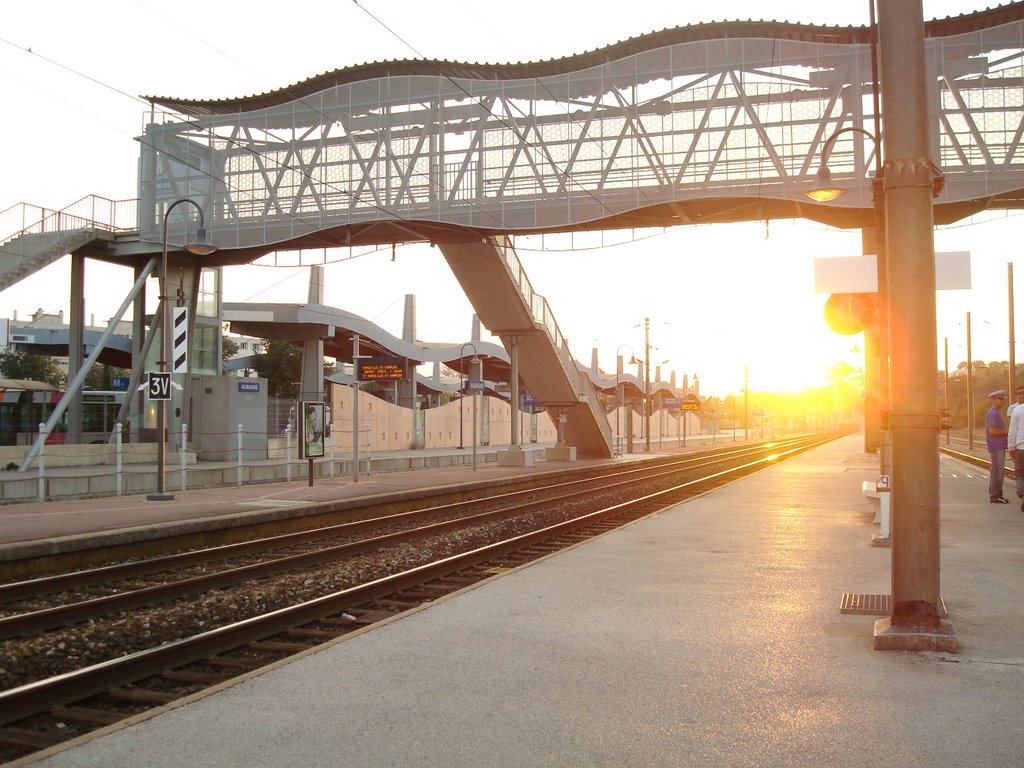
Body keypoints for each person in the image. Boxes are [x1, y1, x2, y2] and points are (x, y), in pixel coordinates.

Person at [986, 389, 1009, 503]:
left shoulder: (995, 412)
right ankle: (995, 496)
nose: (1002, 401)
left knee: (996, 471)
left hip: (998, 446)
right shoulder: (993, 413)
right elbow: (992, 431)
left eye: (1003, 399)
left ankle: (995, 494)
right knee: (998, 472)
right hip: (996, 446)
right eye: (1000, 399)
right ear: (994, 399)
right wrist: (1007, 432)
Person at [1007, 386, 1024, 509]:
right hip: (1020, 447)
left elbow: (1012, 430)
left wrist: (1011, 447)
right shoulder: (1015, 409)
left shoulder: (1016, 410)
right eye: (1020, 393)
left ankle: (1022, 494)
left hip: (1021, 448)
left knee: (1019, 473)